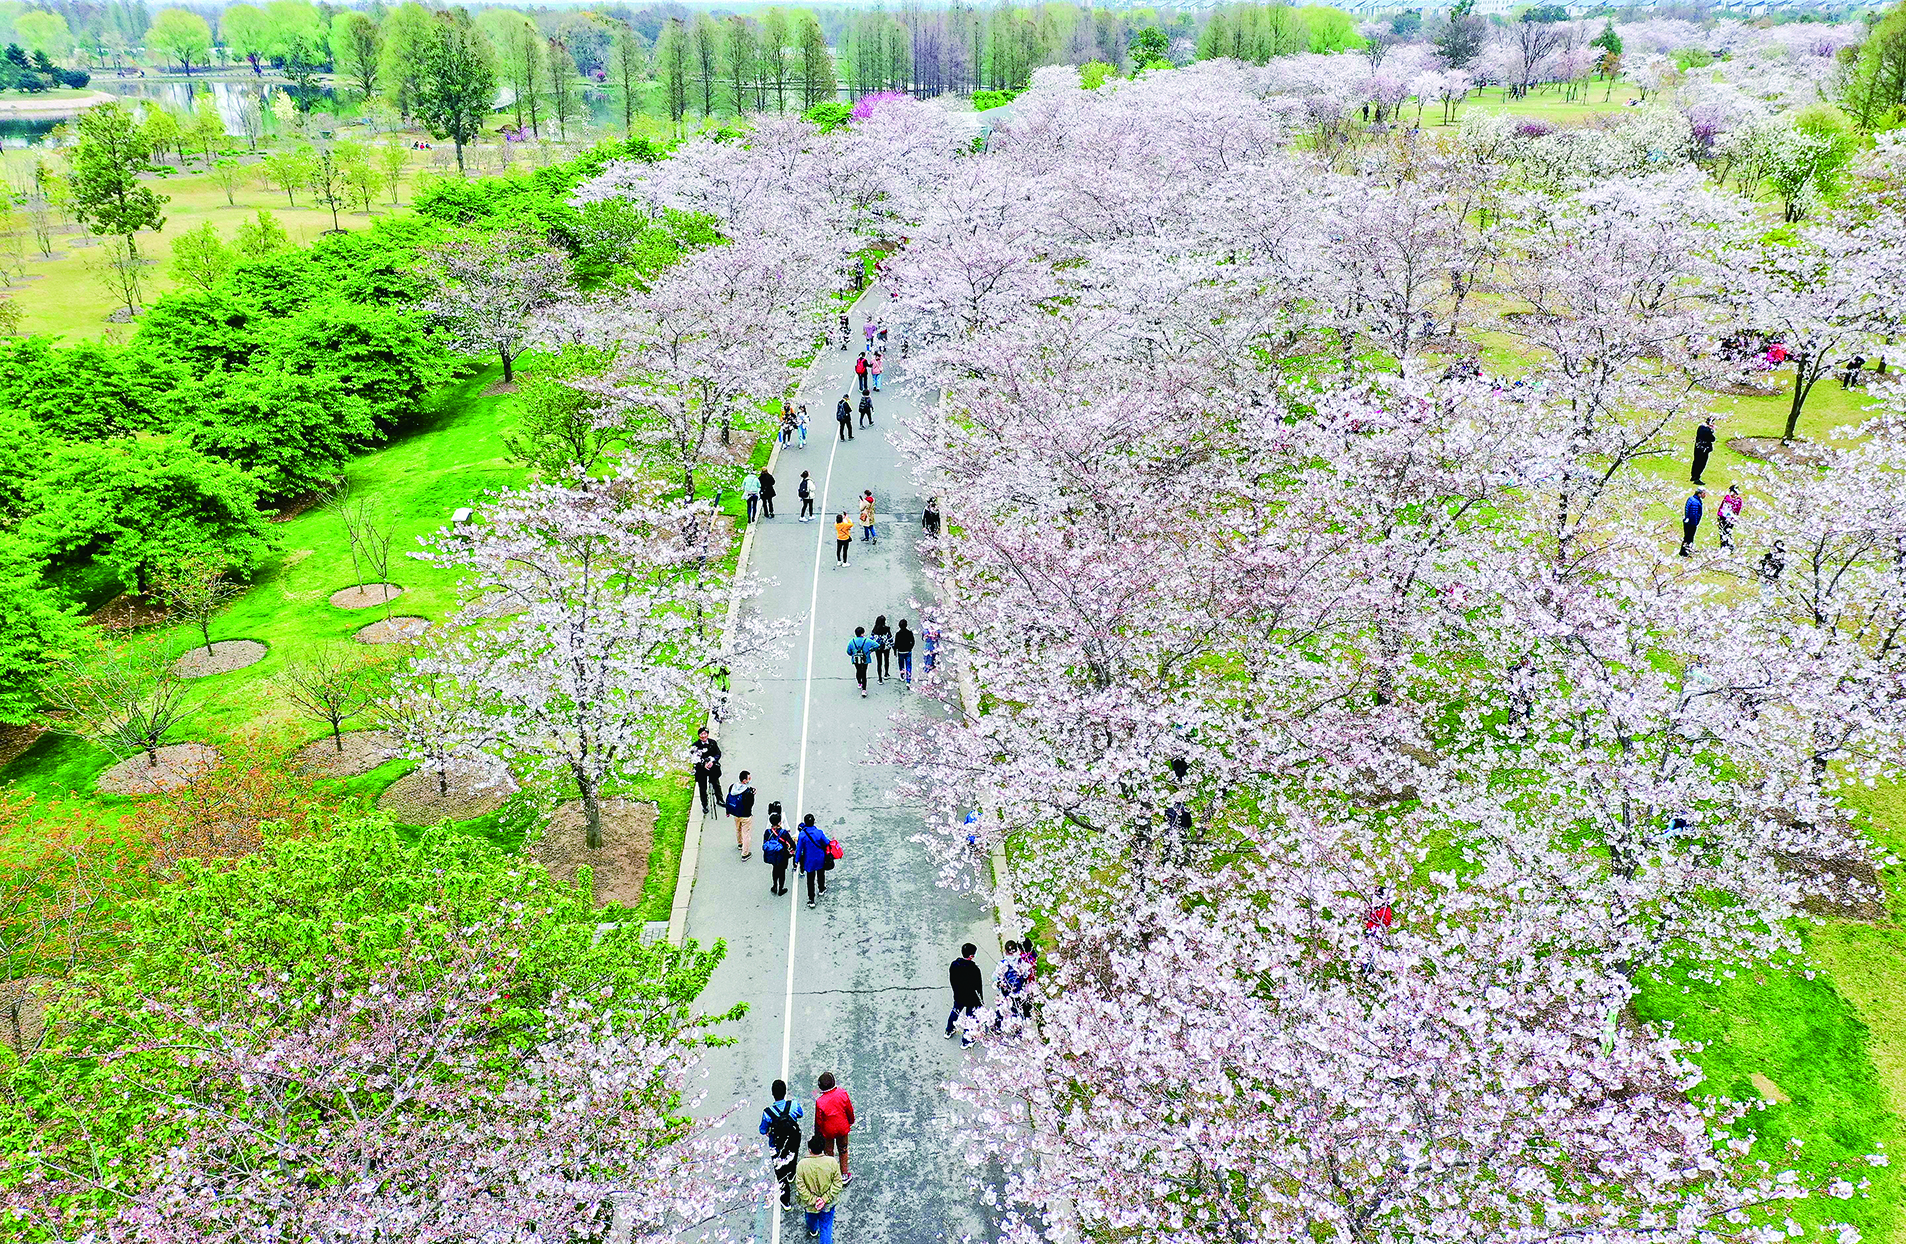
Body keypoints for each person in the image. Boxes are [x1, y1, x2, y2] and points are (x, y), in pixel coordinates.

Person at [760, 1080, 805, 1210]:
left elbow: (762, 1130)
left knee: (780, 1171)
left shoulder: (767, 1112)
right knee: (793, 1154)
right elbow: (800, 1114)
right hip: (793, 1138)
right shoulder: (794, 1105)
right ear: (785, 1092)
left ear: (772, 1094)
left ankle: (785, 1201)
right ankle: (792, 1174)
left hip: (777, 1144)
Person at [795, 1135, 844, 1243]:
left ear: (809, 1150)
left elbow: (800, 1187)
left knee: (810, 1218)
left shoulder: (802, 1165)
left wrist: (814, 1200)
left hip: (810, 1204)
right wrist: (824, 1199)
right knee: (826, 1228)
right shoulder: (832, 1163)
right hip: (828, 1203)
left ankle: (813, 1230)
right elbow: (837, 1184)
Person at [814, 1072, 856, 1183]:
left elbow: (819, 1121)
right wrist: (851, 1121)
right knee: (843, 1150)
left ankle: (832, 1176)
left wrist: (817, 1134)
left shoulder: (820, 1102)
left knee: (829, 1153)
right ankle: (844, 1175)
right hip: (842, 1129)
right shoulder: (843, 1093)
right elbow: (849, 1110)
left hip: (828, 1132)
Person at [946, 942, 983, 1046]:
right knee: (970, 1018)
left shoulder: (954, 965)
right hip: (971, 998)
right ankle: (966, 1041)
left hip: (959, 995)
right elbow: (978, 987)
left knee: (955, 1011)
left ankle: (949, 1030)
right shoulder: (974, 970)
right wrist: (980, 1001)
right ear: (971, 956)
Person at [796, 813, 832, 906]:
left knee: (810, 880)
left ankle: (811, 899)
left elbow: (799, 849)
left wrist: (796, 861)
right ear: (814, 821)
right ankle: (821, 889)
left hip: (809, 860)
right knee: (821, 874)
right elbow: (827, 842)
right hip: (820, 858)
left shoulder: (802, 835)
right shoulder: (819, 832)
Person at [690, 727, 722, 818]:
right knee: (703, 788)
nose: (703, 736)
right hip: (701, 771)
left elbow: (718, 753)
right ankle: (705, 805)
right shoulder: (695, 746)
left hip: (713, 768)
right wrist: (703, 764)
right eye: (701, 734)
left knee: (716, 784)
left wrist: (712, 760)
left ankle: (720, 799)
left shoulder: (713, 743)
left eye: (705, 734)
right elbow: (694, 759)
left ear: (707, 734)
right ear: (699, 736)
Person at [763, 810, 796, 895]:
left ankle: (774, 886)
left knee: (775, 869)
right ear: (780, 822)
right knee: (782, 872)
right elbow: (791, 843)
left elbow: (765, 844)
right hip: (782, 855)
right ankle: (781, 889)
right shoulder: (783, 833)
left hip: (772, 855)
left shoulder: (767, 832)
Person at [725, 770, 756, 859]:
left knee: (738, 829)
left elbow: (729, 799)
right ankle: (745, 853)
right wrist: (752, 794)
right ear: (744, 781)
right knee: (746, 834)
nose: (750, 779)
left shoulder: (732, 787)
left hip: (736, 813)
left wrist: (728, 811)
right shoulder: (747, 792)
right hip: (745, 815)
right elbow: (750, 804)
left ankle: (740, 843)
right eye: (749, 778)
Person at [846, 626, 877, 696]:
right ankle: (864, 689)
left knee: (858, 670)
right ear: (862, 634)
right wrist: (871, 650)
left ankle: (859, 683)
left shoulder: (852, 641)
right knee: (864, 673)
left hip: (856, 659)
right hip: (865, 659)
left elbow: (848, 651)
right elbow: (877, 645)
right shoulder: (867, 641)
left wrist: (853, 654)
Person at [1716, 483, 1742, 550]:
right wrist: (1719, 515)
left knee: (1727, 532)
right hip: (1723, 517)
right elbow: (1722, 507)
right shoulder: (1727, 497)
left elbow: (1736, 510)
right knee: (1722, 532)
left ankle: (1729, 546)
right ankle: (1723, 546)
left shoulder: (1738, 500)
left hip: (1730, 518)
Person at [1680, 488, 1704, 557]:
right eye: (1703, 493)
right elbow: (1694, 514)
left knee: (1687, 537)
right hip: (1691, 523)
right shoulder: (1695, 502)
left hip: (1687, 521)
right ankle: (1684, 552)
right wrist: (1695, 523)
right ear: (1699, 494)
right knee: (1689, 538)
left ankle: (1685, 550)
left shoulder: (1691, 498)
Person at [1691, 417, 1715, 485]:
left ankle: (1693, 476)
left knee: (1696, 462)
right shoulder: (1707, 430)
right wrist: (1712, 430)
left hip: (1697, 448)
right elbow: (1712, 439)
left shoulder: (1700, 427)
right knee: (1701, 464)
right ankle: (1696, 478)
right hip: (1704, 450)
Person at [870, 615, 893, 683]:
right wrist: (892, 646)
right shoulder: (887, 628)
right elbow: (890, 638)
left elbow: (872, 639)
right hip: (886, 647)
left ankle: (880, 678)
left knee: (879, 662)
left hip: (878, 647)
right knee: (886, 660)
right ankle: (886, 674)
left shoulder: (874, 630)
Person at [894, 619, 916, 684]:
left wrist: (895, 651)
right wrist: (910, 648)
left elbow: (896, 643)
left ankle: (902, 676)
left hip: (901, 651)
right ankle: (908, 679)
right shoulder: (909, 633)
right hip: (908, 651)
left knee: (901, 664)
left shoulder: (898, 634)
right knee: (908, 665)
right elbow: (913, 641)